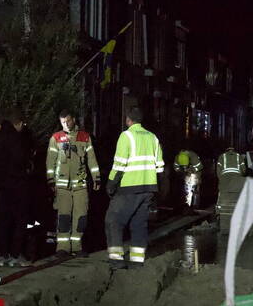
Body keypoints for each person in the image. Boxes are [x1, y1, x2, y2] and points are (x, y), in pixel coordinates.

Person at [105, 106, 166, 269]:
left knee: (113, 221)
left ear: (128, 120)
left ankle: (116, 261)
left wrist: (111, 184)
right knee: (139, 225)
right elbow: (160, 167)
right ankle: (137, 261)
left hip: (129, 188)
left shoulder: (126, 136)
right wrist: (159, 189)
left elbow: (119, 164)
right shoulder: (153, 138)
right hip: (148, 189)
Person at [46, 110, 101, 254]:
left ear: (74, 120)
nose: (66, 124)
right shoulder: (56, 138)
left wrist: (96, 177)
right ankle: (62, 247)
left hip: (80, 185)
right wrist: (51, 180)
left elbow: (92, 160)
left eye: (68, 121)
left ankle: (77, 246)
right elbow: (50, 161)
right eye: (63, 122)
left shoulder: (84, 137)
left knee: (81, 216)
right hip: (62, 186)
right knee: (63, 216)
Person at [0, 115, 31, 267]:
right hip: (17, 187)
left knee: (3, 221)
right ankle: (16, 254)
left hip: (2, 188)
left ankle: (3, 255)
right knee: (20, 221)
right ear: (19, 123)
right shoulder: (17, 140)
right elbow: (21, 161)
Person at [214, 147, 247, 229]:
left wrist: (221, 179)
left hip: (224, 177)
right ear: (233, 150)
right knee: (237, 193)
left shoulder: (222, 156)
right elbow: (244, 169)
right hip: (236, 177)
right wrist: (241, 175)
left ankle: (219, 213)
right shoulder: (239, 156)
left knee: (222, 193)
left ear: (227, 150)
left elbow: (218, 170)